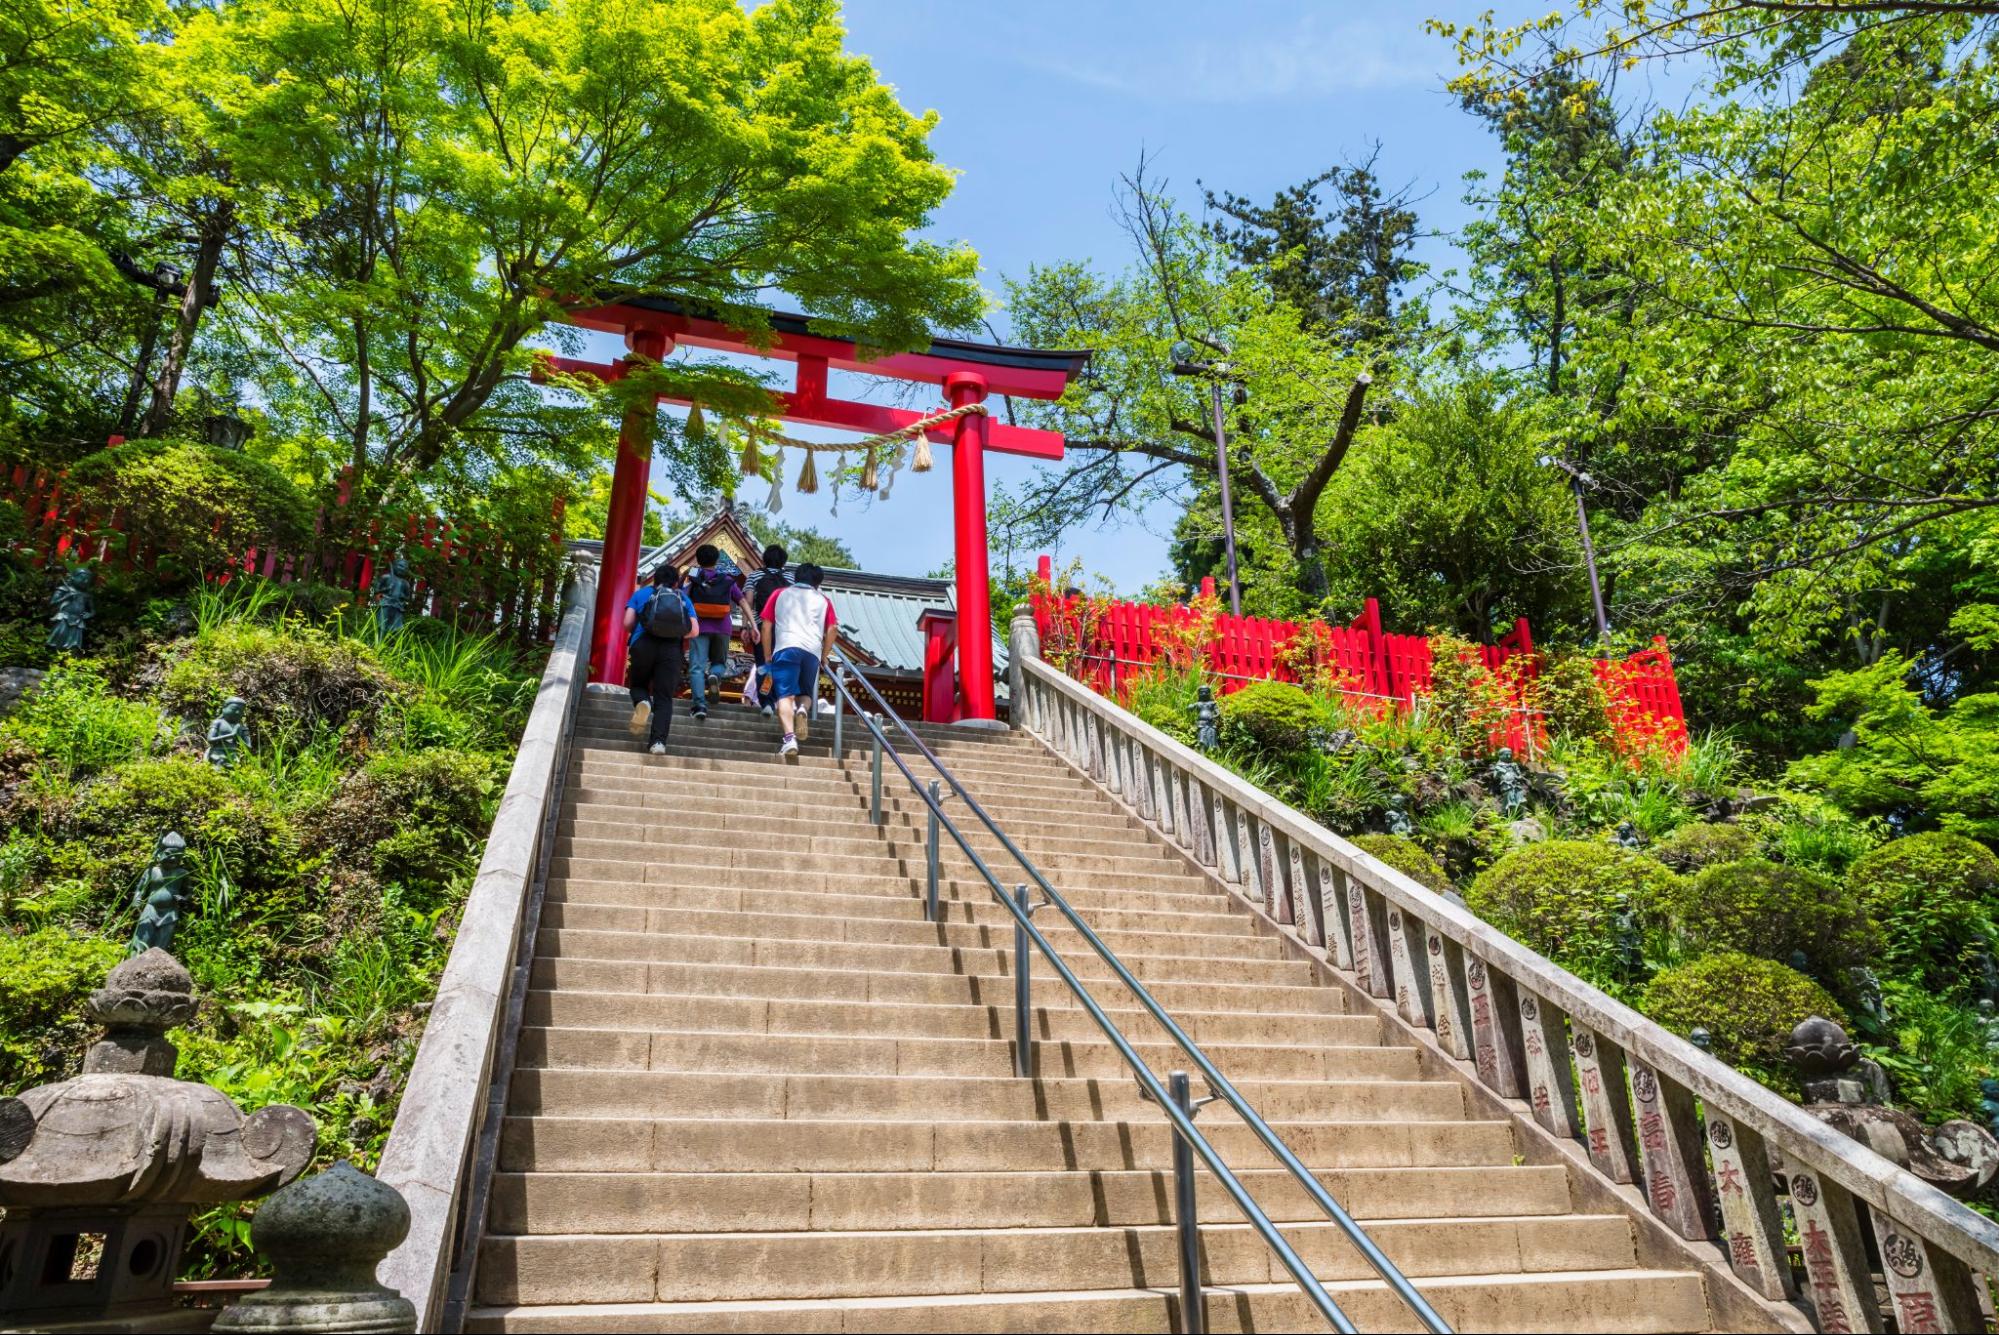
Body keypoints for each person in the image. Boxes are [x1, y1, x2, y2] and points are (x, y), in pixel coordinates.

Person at [760, 562, 837, 760]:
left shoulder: (779, 594)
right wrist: (824, 655)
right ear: (818, 583)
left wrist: (768, 654)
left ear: (796, 577)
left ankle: (789, 739)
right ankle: (802, 709)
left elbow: (766, 627)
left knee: (785, 696)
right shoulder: (824, 600)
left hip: (785, 646)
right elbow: (832, 629)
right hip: (811, 651)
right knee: (805, 693)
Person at [623, 564, 695, 754]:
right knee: (664, 697)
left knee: (638, 684)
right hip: (671, 649)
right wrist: (674, 633)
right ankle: (658, 743)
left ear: (655, 578)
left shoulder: (641, 594)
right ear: (675, 582)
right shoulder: (682, 598)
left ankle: (643, 701)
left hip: (643, 645)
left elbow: (627, 623)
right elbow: (694, 630)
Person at [682, 544, 757, 720]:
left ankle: (699, 705)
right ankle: (715, 675)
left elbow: (681, 595)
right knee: (720, 662)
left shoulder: (692, 576)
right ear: (717, 560)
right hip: (723, 627)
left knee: (697, 667)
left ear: (698, 559)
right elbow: (744, 602)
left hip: (698, 626)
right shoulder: (727, 579)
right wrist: (753, 625)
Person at [742, 544, 791, 716]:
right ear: (783, 561)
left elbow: (747, 602)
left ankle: (766, 702)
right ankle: (778, 700)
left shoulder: (754, 576)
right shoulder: (790, 578)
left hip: (761, 627)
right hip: (785, 629)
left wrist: (746, 626)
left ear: (764, 559)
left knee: (763, 664)